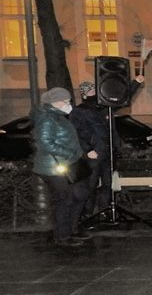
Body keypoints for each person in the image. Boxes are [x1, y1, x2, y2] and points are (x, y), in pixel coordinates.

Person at [33, 87, 89, 247]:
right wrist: (69, 153)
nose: (69, 104)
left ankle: (72, 230)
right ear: (56, 102)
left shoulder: (59, 116)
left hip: (68, 163)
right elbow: (45, 143)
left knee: (80, 194)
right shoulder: (47, 118)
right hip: (54, 166)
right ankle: (63, 236)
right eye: (66, 101)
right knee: (64, 199)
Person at [69, 81, 121, 221]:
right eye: (91, 91)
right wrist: (88, 149)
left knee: (107, 185)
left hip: (107, 153)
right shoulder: (79, 111)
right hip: (93, 155)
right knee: (90, 186)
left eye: (94, 91)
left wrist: (135, 83)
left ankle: (104, 211)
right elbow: (77, 133)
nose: (94, 94)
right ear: (84, 94)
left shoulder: (104, 108)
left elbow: (121, 99)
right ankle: (88, 214)